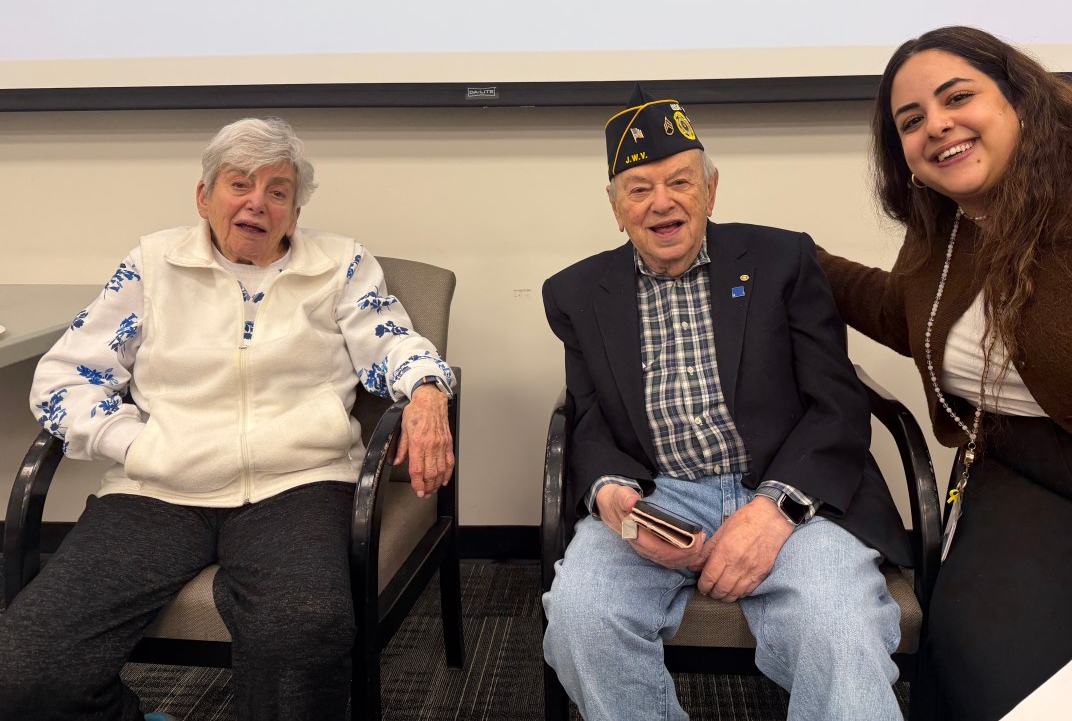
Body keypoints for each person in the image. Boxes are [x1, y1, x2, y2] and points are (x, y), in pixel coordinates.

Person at [0, 117, 456, 721]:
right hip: (157, 488)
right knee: (25, 670)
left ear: (294, 212)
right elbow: (64, 378)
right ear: (204, 196)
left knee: (305, 632)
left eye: (277, 191)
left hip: (298, 483)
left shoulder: (341, 264)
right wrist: (134, 444)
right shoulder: (152, 264)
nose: (256, 204)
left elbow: (393, 341)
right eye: (239, 184)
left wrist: (426, 390)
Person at [817, 26, 1072, 720]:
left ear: (1022, 98)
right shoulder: (947, 227)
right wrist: (788, 257)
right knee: (987, 672)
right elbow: (915, 320)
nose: (937, 125)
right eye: (911, 121)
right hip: (1036, 470)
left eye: (957, 96)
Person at [541, 86, 910, 721]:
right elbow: (590, 414)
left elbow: (836, 402)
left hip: (786, 490)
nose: (662, 203)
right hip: (659, 496)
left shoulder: (782, 259)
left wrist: (776, 510)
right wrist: (611, 495)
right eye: (638, 189)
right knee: (580, 616)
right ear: (615, 207)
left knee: (843, 631)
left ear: (711, 191)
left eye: (680, 181)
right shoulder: (576, 293)